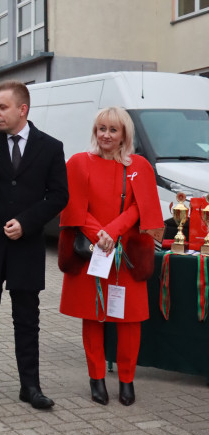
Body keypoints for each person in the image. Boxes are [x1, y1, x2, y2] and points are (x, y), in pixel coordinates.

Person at [0, 80, 69, 415]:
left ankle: (30, 386)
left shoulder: (49, 147)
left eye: (2, 107)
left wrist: (27, 222)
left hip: (26, 246)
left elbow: (59, 195)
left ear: (23, 109)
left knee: (27, 319)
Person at [58, 106, 163, 406]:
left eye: (113, 130)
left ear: (124, 135)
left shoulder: (139, 166)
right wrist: (100, 235)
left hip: (126, 255)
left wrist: (113, 231)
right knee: (93, 317)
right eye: (101, 128)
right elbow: (75, 207)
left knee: (129, 321)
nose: (106, 134)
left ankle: (127, 381)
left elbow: (140, 208)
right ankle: (96, 379)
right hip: (93, 252)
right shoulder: (78, 162)